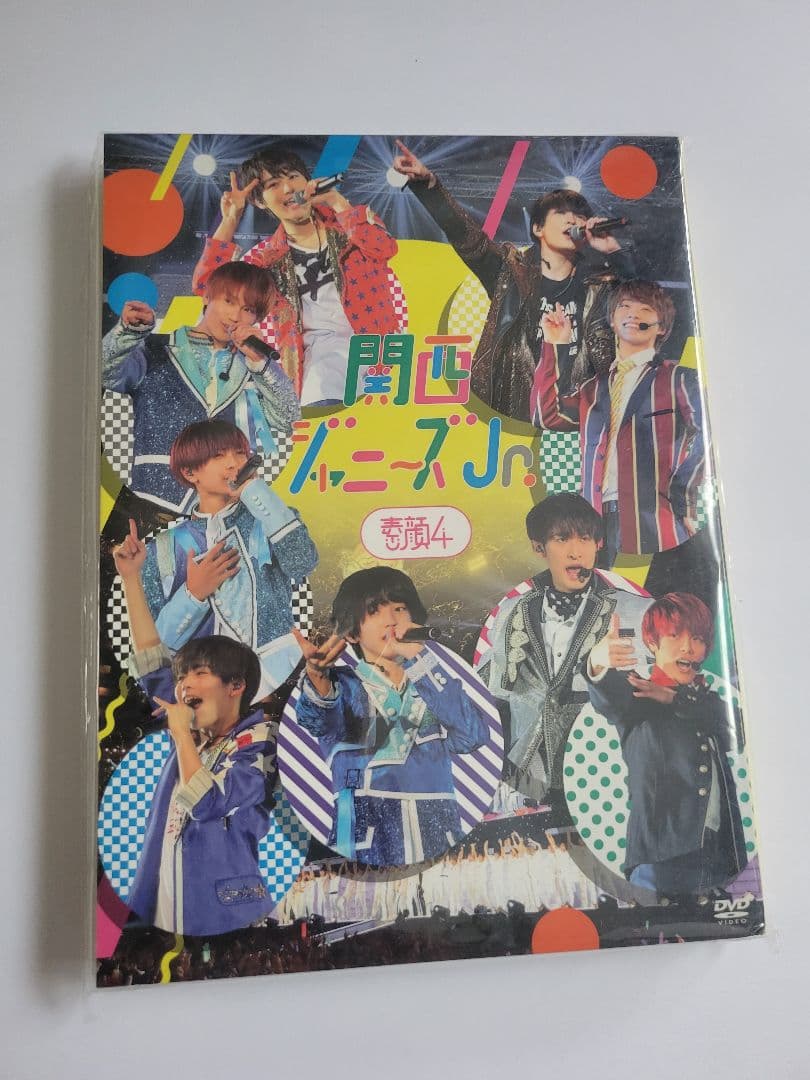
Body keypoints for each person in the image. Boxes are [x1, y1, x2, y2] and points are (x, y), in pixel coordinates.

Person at [112, 521, 278, 937]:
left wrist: (182, 736)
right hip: (164, 896)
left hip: (223, 910)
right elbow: (151, 660)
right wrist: (131, 578)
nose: (184, 685)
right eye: (183, 676)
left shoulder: (260, 741)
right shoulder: (198, 730)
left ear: (236, 686)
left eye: (199, 674)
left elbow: (206, 805)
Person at [392, 140, 635, 421]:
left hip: (575, 419)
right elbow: (467, 237)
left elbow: (644, 305)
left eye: (579, 216)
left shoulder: (600, 286)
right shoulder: (509, 270)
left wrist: (614, 251)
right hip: (511, 413)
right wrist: (428, 187)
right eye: (561, 213)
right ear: (538, 228)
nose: (573, 220)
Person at [292, 567, 493, 866]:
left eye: (399, 607)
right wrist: (317, 675)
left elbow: (473, 735)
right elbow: (316, 720)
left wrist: (419, 658)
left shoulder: (432, 683)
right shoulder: (341, 685)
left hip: (439, 833)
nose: (391, 619)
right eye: (374, 611)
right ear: (352, 632)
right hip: (368, 839)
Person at [475, 493, 650, 807]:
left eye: (585, 538)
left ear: (598, 543)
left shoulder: (635, 611)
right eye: (561, 538)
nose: (575, 551)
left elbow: (659, 699)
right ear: (539, 547)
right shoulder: (513, 611)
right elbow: (490, 693)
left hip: (603, 774)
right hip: (526, 776)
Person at [192, 146, 400, 406]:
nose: (289, 188)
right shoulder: (266, 260)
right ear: (260, 201)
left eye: (293, 177)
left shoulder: (351, 223)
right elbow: (208, 287)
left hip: (381, 353)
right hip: (321, 366)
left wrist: (336, 201)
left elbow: (385, 248)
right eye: (274, 184)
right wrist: (231, 219)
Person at [137, 419, 318, 697]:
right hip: (205, 692)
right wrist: (193, 595)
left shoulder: (271, 516)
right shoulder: (162, 548)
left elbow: (303, 562)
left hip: (278, 674)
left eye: (240, 453)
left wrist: (256, 493)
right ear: (190, 472)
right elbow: (156, 647)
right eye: (218, 456)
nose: (233, 463)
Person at [532, 279, 705, 568]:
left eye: (645, 309)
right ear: (612, 320)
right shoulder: (593, 388)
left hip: (655, 520)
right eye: (624, 306)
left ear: (661, 327)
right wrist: (554, 345)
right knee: (602, 596)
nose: (633, 314)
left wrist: (683, 494)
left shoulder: (680, 378)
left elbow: (708, 437)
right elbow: (546, 414)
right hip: (595, 526)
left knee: (647, 595)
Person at [102, 262, 299, 514]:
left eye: (248, 309)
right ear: (207, 296)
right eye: (228, 301)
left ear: (257, 318)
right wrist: (129, 333)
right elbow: (106, 374)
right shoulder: (155, 349)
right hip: (153, 504)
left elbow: (288, 419)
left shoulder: (255, 367)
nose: (235, 316)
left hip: (228, 511)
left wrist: (261, 363)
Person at [587, 592, 747, 896]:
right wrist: (597, 661)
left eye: (697, 638)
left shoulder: (707, 703)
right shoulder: (638, 694)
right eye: (675, 635)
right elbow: (607, 695)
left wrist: (675, 698)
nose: (688, 647)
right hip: (660, 861)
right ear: (653, 643)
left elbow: (738, 730)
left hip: (719, 859)